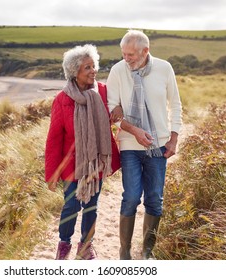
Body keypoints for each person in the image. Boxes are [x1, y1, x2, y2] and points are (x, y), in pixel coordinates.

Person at [106, 30, 182, 260]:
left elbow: (176, 105)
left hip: (158, 145)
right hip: (130, 143)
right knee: (130, 196)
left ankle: (147, 251)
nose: (126, 58)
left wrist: (174, 137)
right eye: (123, 54)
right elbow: (112, 111)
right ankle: (125, 251)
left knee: (154, 199)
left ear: (145, 51)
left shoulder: (164, 68)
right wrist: (136, 131)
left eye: (130, 54)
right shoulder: (118, 71)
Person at [45, 44, 120, 260]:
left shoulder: (104, 92)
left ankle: (86, 246)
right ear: (74, 71)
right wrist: (52, 174)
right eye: (87, 67)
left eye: (94, 66)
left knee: (91, 206)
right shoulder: (62, 99)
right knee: (70, 206)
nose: (93, 71)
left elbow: (119, 107)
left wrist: (119, 109)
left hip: (95, 161)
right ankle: (64, 244)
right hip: (71, 165)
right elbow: (54, 138)